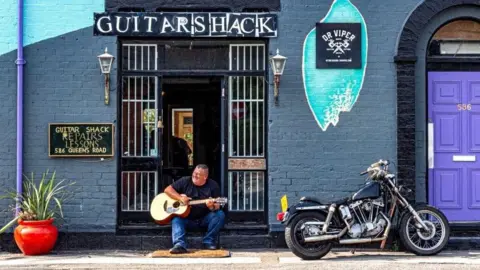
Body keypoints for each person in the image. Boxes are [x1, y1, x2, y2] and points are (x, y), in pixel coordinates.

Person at [164, 164, 225, 254]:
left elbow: (218, 206)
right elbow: (168, 190)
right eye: (194, 172)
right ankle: (179, 245)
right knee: (176, 219)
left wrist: (211, 206)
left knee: (220, 215)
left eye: (198, 174)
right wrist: (180, 198)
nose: (194, 175)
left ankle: (208, 241)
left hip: (204, 219)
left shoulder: (213, 185)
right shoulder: (185, 181)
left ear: (205, 177)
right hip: (186, 219)